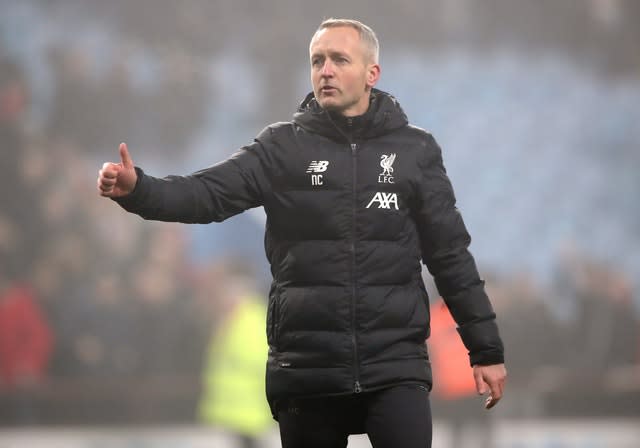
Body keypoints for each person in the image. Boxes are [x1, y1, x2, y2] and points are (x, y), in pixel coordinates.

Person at [97, 18, 506, 448]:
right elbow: (207, 194)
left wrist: (486, 350)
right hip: (308, 370)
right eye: (317, 60)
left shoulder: (415, 151)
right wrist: (139, 190)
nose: (325, 70)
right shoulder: (281, 148)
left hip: (395, 366)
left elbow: (451, 257)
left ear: (372, 74)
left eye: (339, 59)